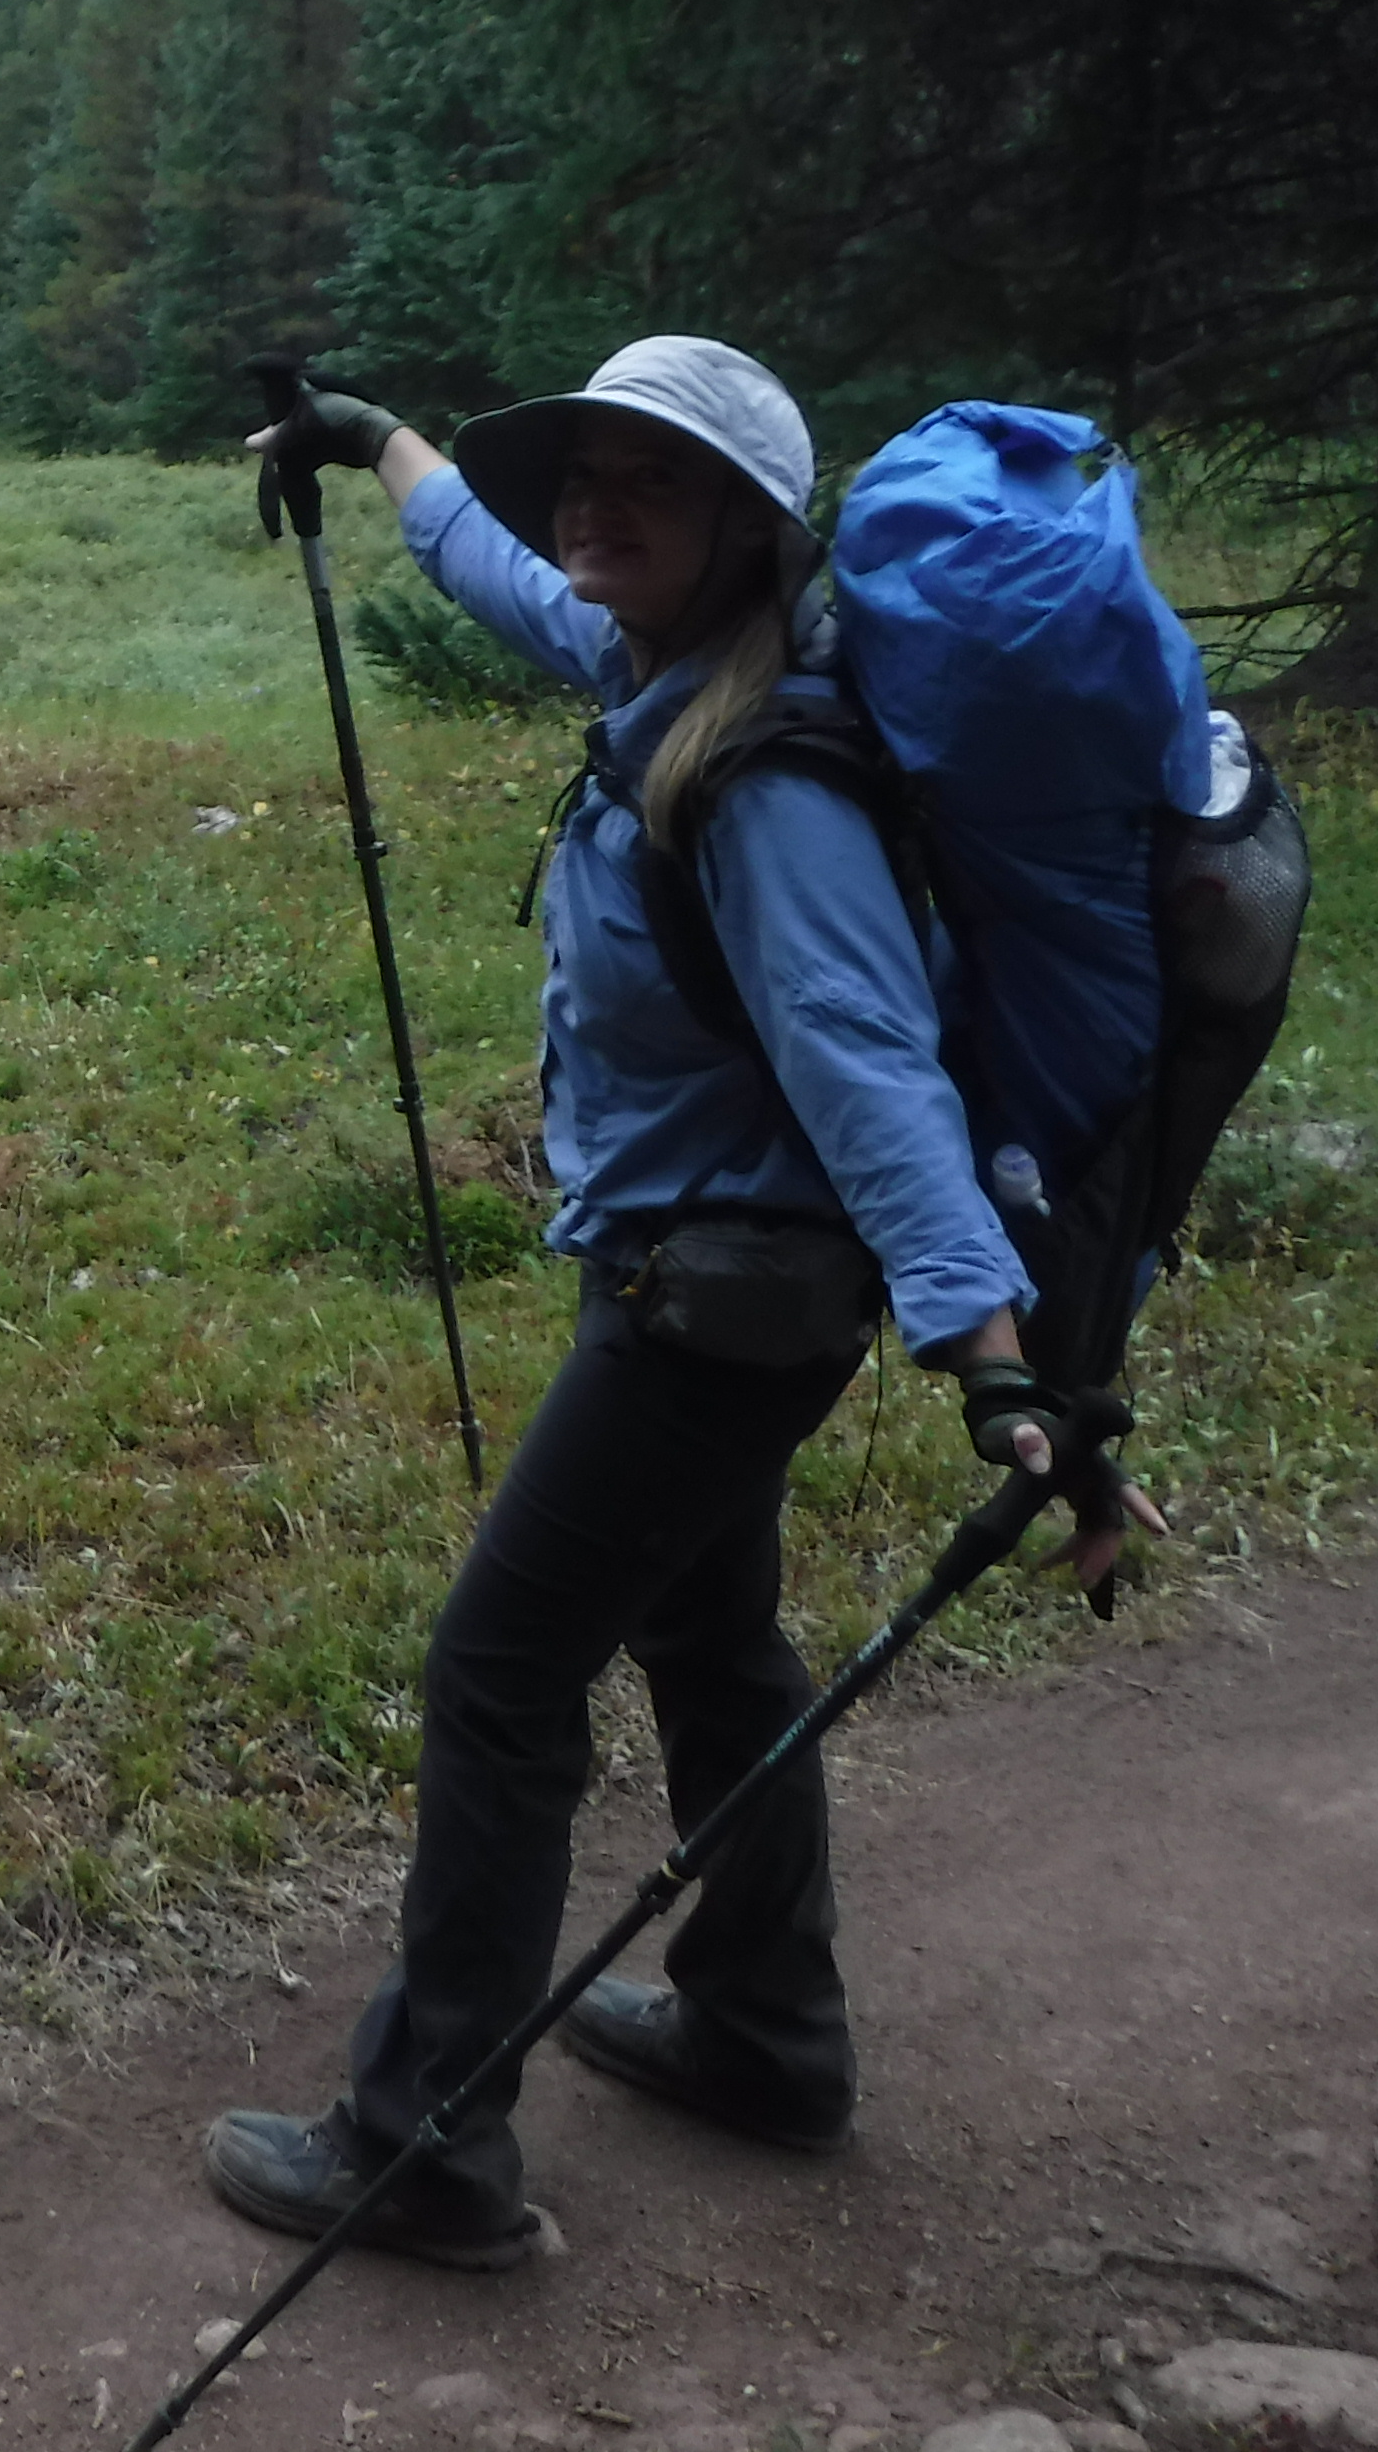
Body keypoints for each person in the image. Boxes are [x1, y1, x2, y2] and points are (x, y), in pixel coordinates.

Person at [202, 338, 1153, 2270]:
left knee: (500, 1668)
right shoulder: (663, 672)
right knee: (714, 1648)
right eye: (579, 468)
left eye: (649, 477)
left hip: (714, 1312)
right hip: (718, 1294)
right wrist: (371, 439)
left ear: (751, 529)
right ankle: (766, 2033)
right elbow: (502, 568)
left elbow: (873, 1070)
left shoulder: (767, 784)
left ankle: (427, 2142)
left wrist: (999, 1368)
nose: (591, 505)